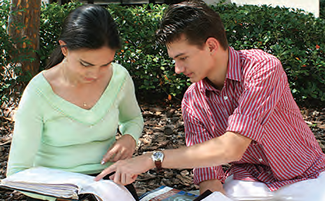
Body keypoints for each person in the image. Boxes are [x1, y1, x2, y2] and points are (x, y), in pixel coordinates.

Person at [95, 0, 325, 200]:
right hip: (249, 184)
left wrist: (152, 159)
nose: (177, 69)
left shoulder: (261, 68)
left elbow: (232, 148)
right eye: (174, 59)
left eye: (183, 58)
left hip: (307, 177)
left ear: (211, 46)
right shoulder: (193, 100)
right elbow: (209, 177)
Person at [6, 4, 143, 201]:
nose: (95, 74)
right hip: (54, 189)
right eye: (85, 64)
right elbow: (17, 172)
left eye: (105, 64)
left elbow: (133, 118)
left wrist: (130, 137)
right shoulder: (38, 92)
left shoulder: (119, 77)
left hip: (108, 183)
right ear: (65, 49)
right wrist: (59, 195)